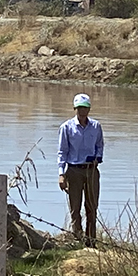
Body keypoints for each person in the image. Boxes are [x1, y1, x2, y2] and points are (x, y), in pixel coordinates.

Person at [57, 93, 104, 248]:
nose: (82, 111)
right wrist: (61, 174)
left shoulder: (96, 126)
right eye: (79, 108)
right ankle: (77, 239)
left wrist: (98, 157)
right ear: (75, 109)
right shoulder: (66, 127)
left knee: (92, 207)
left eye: (85, 108)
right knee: (75, 207)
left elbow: (100, 145)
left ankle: (91, 241)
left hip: (91, 170)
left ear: (89, 109)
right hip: (74, 170)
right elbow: (62, 152)